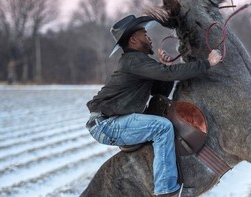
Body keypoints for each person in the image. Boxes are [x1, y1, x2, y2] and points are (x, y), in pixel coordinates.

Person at [86, 15, 222, 196]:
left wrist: (165, 66)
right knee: (162, 127)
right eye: (144, 34)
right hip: (106, 125)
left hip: (112, 121)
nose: (149, 37)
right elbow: (168, 74)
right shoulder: (133, 60)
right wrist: (207, 63)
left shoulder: (139, 62)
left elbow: (161, 90)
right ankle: (165, 190)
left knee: (160, 126)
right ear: (134, 40)